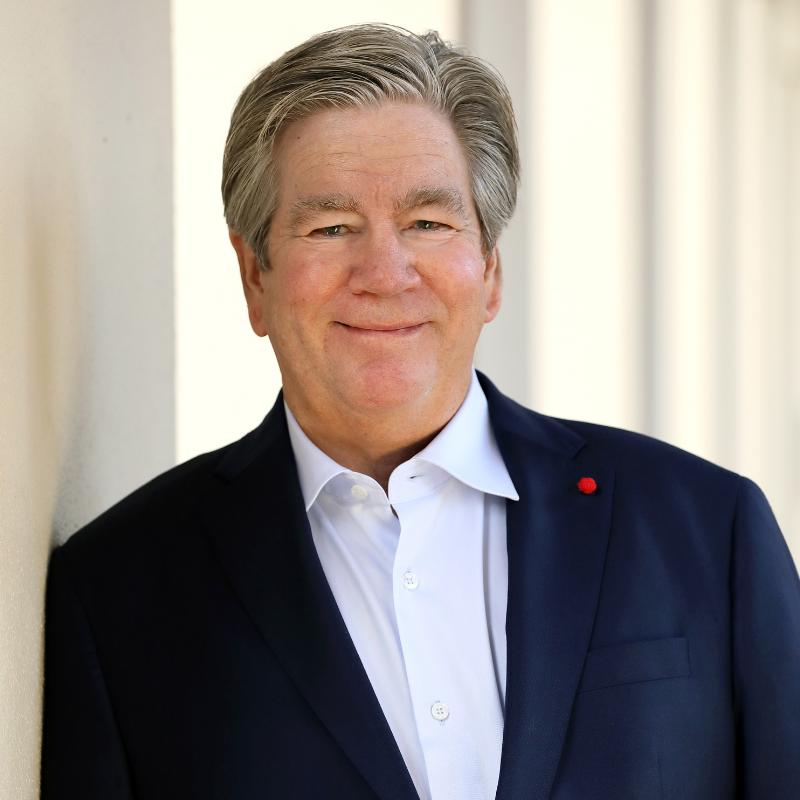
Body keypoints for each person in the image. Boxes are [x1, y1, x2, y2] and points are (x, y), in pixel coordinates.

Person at [40, 24, 800, 800]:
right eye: (331, 227)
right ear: (254, 277)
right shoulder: (117, 598)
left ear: (490, 270)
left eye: (428, 224)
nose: (384, 272)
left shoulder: (710, 531)